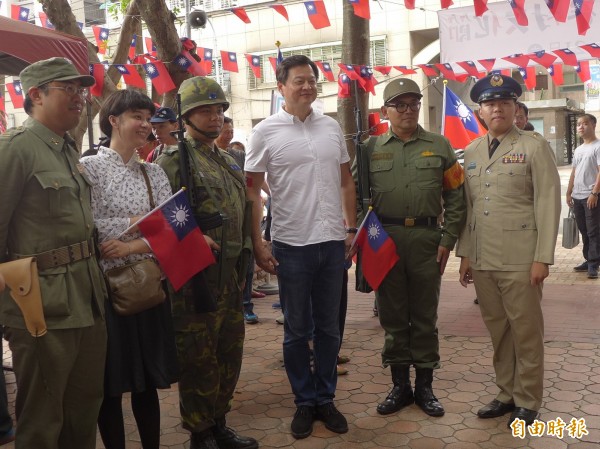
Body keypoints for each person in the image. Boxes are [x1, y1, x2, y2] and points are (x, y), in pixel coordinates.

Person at [245, 55, 357, 440]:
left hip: (332, 243)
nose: (307, 86)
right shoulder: (265, 132)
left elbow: (345, 181)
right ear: (281, 87)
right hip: (291, 245)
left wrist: (350, 227)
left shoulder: (331, 127)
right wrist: (259, 241)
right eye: (298, 80)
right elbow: (252, 190)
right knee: (296, 330)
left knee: (329, 329)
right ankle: (303, 402)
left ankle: (326, 397)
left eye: (311, 79)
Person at [0, 57, 107, 448]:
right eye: (69, 89)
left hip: (87, 296)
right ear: (36, 95)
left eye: (83, 90)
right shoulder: (15, 149)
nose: (81, 98)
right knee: (43, 418)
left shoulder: (65, 149)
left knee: (83, 408)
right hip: (41, 305)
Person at [354, 78, 466, 419]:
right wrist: (364, 240)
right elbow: (357, 197)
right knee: (392, 316)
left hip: (426, 242)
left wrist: (447, 240)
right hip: (384, 240)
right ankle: (400, 385)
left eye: (413, 104)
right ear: (385, 111)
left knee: (424, 316)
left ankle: (425, 387)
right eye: (399, 105)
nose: (407, 111)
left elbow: (457, 196)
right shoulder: (371, 148)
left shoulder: (440, 145)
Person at [156, 77, 257, 449]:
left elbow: (241, 211)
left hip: (229, 274)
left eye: (219, 110)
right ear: (186, 116)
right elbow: (163, 219)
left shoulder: (225, 160)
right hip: (195, 278)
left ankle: (219, 421)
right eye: (205, 110)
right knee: (198, 357)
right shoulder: (173, 160)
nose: (215, 117)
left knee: (229, 350)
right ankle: (200, 432)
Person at [457, 74, 561, 428]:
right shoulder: (470, 151)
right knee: (498, 330)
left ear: (515, 108)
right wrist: (466, 255)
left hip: (521, 259)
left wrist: (542, 257)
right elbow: (469, 209)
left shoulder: (533, 146)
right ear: (480, 111)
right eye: (489, 103)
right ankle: (506, 393)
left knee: (526, 331)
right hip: (484, 259)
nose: (497, 108)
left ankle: (528, 398)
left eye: (504, 102)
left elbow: (548, 201)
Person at [80, 90, 179, 449]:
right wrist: (139, 221)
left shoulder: (154, 172)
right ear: (113, 121)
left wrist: (132, 242)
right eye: (137, 116)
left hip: (149, 287)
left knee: (148, 381)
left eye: (148, 117)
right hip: (106, 290)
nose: (145, 124)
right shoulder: (87, 169)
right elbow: (87, 226)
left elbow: (170, 228)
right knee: (110, 384)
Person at [566, 113, 600, 279]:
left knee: (594, 231)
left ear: (593, 125)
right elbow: (574, 172)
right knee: (584, 230)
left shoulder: (598, 146)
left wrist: (594, 193)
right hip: (577, 196)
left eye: (585, 123)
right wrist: (568, 191)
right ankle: (588, 259)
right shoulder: (578, 149)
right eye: (579, 124)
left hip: (591, 196)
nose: (580, 126)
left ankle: (594, 264)